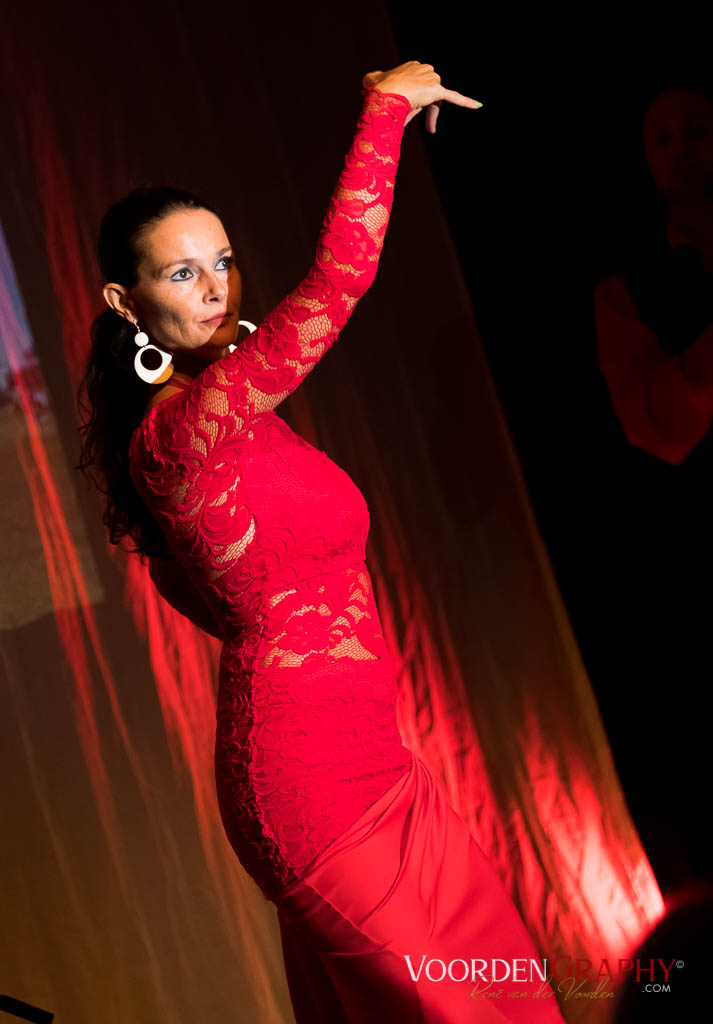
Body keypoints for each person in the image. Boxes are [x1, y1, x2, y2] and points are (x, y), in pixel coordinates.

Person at [79, 61, 565, 1022]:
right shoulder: (177, 436)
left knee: (520, 1004)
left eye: (221, 261)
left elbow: (210, 595)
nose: (215, 288)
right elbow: (340, 282)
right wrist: (384, 112)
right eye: (181, 273)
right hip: (306, 794)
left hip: (386, 766)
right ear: (125, 304)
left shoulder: (242, 418)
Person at [592, 80, 713, 896]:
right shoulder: (627, 287)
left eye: (696, 131)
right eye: (661, 138)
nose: (680, 152)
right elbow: (656, 428)